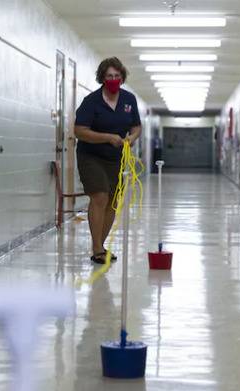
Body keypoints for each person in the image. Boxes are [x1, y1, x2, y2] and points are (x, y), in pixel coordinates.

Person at [74, 57, 142, 264]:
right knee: (100, 196)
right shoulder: (91, 102)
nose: (113, 79)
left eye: (117, 76)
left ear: (122, 78)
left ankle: (100, 247)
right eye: (109, 76)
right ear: (102, 78)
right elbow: (79, 131)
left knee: (112, 201)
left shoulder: (129, 100)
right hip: (91, 156)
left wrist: (131, 138)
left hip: (117, 158)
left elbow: (136, 126)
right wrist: (107, 137)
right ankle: (96, 249)